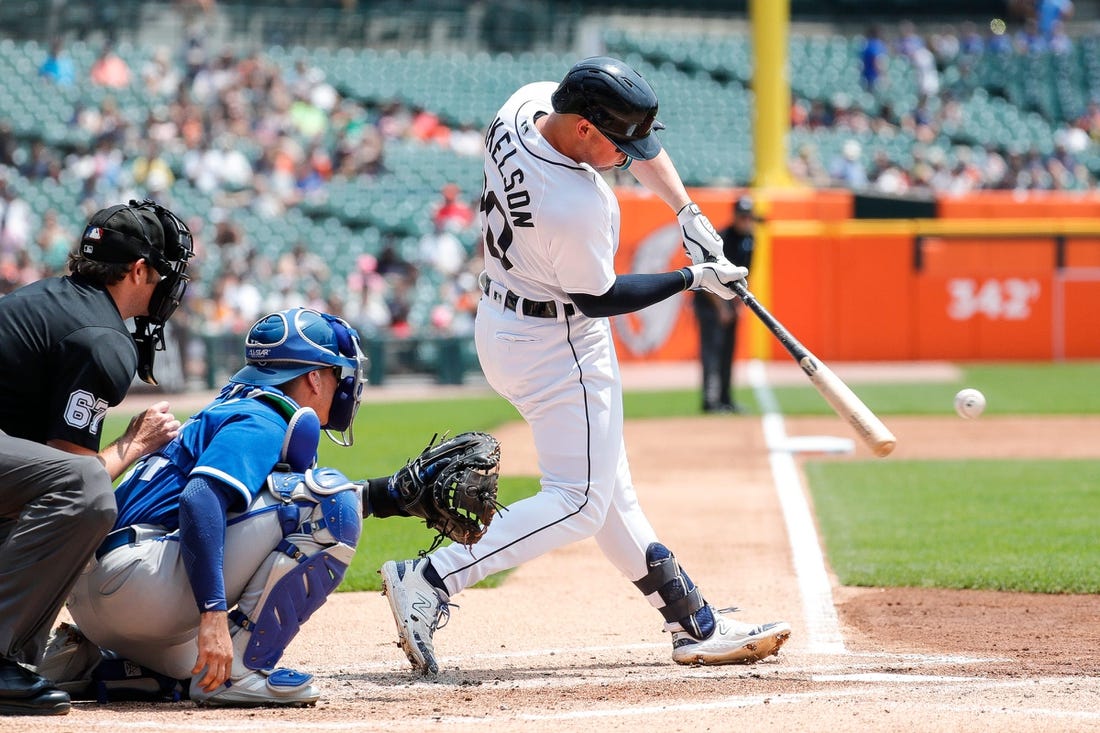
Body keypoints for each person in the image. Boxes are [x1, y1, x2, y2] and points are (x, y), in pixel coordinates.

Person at [380, 56, 791, 675]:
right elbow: (598, 299)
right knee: (579, 500)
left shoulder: (527, 104)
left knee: (608, 487)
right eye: (618, 144)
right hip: (557, 343)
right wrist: (693, 276)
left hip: (504, 319)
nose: (630, 157)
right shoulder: (572, 203)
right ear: (583, 129)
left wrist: (689, 213)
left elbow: (642, 149)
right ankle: (431, 577)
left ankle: (691, 622)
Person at [38, 307, 480, 708]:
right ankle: (246, 673)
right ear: (313, 377)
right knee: (332, 502)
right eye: (338, 372)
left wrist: (386, 497)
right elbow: (201, 499)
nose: (346, 383)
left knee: (191, 669)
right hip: (139, 587)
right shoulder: (265, 415)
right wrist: (212, 615)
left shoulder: (227, 409)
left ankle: (90, 663)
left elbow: (266, 505)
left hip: (99, 599)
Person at [0, 199, 194, 715]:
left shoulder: (56, 301)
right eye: (163, 274)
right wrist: (133, 446)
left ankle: (11, 657)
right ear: (137, 270)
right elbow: (76, 474)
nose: (168, 287)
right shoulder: (101, 337)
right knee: (86, 491)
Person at [694, 195, 756, 414]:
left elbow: (745, 277)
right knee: (712, 351)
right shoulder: (722, 239)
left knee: (728, 352)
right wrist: (722, 308)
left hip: (730, 304)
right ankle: (710, 401)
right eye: (743, 216)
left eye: (749, 217)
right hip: (709, 302)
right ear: (735, 216)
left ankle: (726, 399)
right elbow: (708, 277)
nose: (746, 221)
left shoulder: (750, 240)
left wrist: (736, 308)